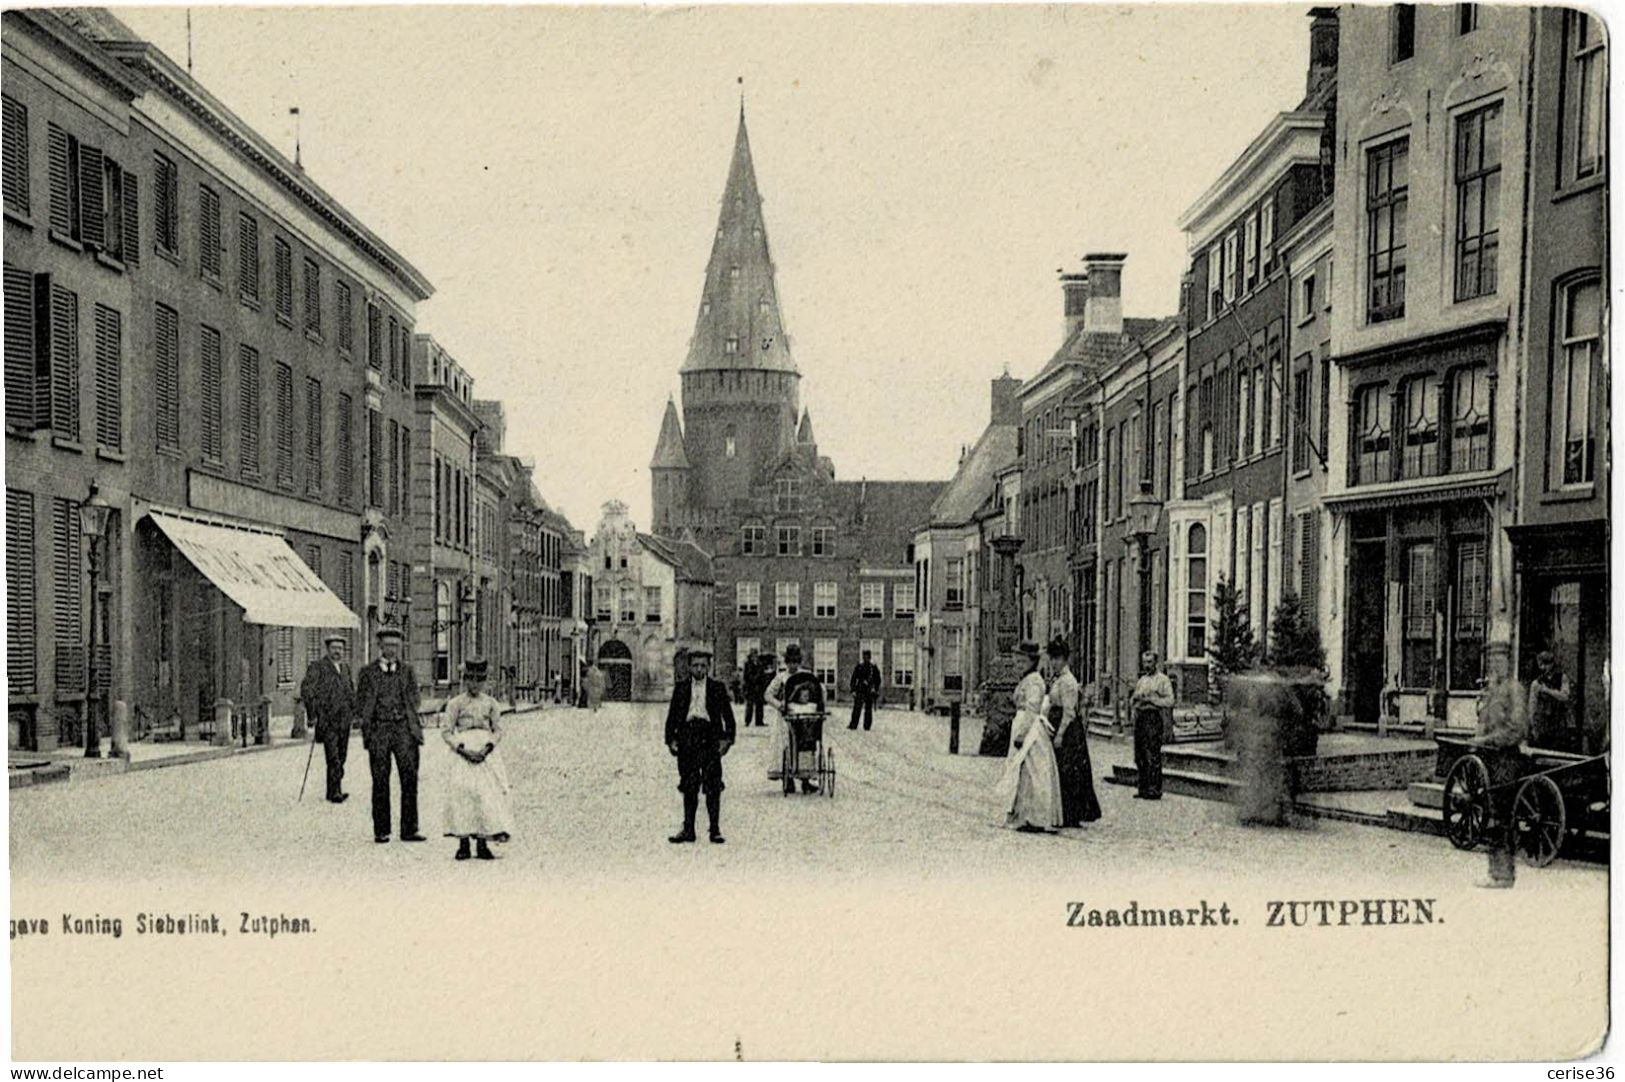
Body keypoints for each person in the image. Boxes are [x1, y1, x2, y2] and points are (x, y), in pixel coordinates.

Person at [355, 626, 424, 844]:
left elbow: (415, 698)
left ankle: (409, 829)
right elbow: (361, 702)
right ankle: (381, 830)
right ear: (380, 647)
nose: (392, 650)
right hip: (379, 731)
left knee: (409, 778)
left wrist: (408, 717)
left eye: (396, 646)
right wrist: (368, 725)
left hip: (404, 729)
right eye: (388, 646)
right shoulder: (367, 673)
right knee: (380, 779)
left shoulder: (407, 671)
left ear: (401, 647)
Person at [441, 659, 514, 861]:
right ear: (465, 681)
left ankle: (483, 842)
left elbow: (497, 729)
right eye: (471, 680)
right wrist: (462, 750)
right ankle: (463, 843)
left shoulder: (491, 704)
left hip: (485, 754)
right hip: (463, 753)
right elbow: (447, 732)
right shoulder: (455, 704)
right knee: (463, 793)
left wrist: (488, 747)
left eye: (479, 681)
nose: (475, 685)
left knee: (485, 795)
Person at [664, 647, 736, 843]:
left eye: (703, 666)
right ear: (689, 667)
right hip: (688, 738)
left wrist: (727, 740)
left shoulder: (717, 688)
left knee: (712, 785)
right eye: (695, 665)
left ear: (709, 667)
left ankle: (715, 829)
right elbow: (672, 716)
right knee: (689, 784)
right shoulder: (681, 688)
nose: (699, 669)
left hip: (710, 738)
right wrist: (671, 739)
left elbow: (728, 717)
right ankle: (688, 829)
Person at [995, 642, 1062, 831]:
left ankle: (1035, 817)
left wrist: (1022, 735)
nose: (1019, 665)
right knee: (1024, 772)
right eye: (1017, 661)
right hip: (1023, 722)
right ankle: (1023, 814)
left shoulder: (1034, 681)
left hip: (1031, 729)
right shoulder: (1028, 679)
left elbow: (1032, 709)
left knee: (1034, 771)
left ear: (1032, 661)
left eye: (1022, 661)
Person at [1045, 636, 1100, 826]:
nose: (1053, 663)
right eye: (1052, 658)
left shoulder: (1068, 681)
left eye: (1057, 659)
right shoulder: (1058, 679)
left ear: (1065, 660)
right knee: (1062, 769)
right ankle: (1063, 811)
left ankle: (1072, 813)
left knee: (1070, 771)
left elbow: (1069, 712)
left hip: (1068, 731)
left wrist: (1060, 734)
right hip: (1058, 725)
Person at [299, 633, 355, 804]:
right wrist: (312, 714)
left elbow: (351, 692)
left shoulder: (345, 668)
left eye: (340, 648)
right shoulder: (318, 667)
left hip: (344, 720)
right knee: (333, 757)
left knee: (342, 756)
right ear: (328, 649)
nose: (337, 652)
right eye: (334, 648)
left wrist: (356, 712)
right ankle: (335, 792)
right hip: (327, 720)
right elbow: (307, 691)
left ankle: (334, 788)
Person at [768, 644, 826, 793]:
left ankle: (806, 779)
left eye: (795, 662)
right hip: (786, 718)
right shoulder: (781, 677)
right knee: (786, 744)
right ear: (786, 662)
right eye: (790, 662)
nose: (793, 665)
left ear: (799, 662)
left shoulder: (806, 675)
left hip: (805, 716)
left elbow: (820, 689)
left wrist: (820, 705)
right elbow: (767, 694)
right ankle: (788, 778)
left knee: (806, 743)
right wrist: (779, 705)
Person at [1130, 651, 1175, 800]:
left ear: (1155, 663)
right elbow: (1134, 700)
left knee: (1152, 754)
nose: (1146, 665)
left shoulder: (1163, 680)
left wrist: (1153, 700)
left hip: (1153, 718)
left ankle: (1154, 789)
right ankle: (1142, 788)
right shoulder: (1141, 680)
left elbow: (1170, 701)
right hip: (1141, 718)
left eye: (1149, 662)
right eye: (1144, 662)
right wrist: (1135, 699)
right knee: (1140, 754)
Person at [1528, 651, 1572, 751]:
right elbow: (1532, 706)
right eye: (1541, 665)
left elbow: (1565, 696)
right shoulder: (1536, 683)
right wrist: (1533, 726)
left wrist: (1547, 690)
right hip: (1543, 724)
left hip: (1558, 723)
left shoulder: (1562, 678)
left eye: (1546, 664)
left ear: (1552, 664)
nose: (1543, 668)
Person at [848, 649, 882, 731]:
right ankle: (853, 724)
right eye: (864, 657)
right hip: (860, 690)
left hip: (869, 691)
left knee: (868, 709)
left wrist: (875, 689)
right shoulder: (859, 667)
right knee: (856, 708)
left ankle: (867, 726)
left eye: (867, 657)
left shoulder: (873, 668)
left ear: (869, 658)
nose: (865, 658)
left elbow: (878, 680)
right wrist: (853, 690)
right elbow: (853, 679)